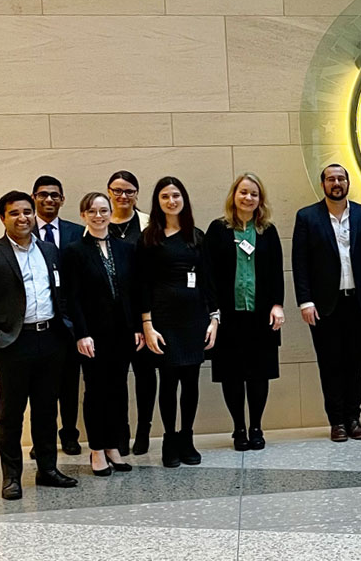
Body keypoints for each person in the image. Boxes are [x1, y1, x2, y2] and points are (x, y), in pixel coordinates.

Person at [0, 191, 78, 500]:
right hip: (13, 343)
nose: (23, 218)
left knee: (45, 409)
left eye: (27, 212)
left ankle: (48, 469)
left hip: (51, 339)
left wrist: (65, 326)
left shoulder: (50, 251)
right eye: (15, 213)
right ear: (3, 218)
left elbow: (61, 293)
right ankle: (11, 477)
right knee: (11, 414)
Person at [292, 164, 361, 443]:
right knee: (330, 364)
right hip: (323, 306)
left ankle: (354, 418)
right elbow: (300, 264)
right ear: (322, 184)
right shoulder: (307, 217)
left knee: (354, 363)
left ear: (348, 182)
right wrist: (305, 301)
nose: (336, 183)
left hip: (358, 303)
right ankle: (336, 422)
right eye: (331, 179)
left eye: (341, 178)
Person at [137, 177, 219, 467]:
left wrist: (214, 318)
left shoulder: (196, 236)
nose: (171, 201)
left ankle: (187, 437)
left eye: (176, 195)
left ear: (184, 199)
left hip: (195, 318)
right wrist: (147, 324)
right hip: (163, 320)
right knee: (169, 381)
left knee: (191, 381)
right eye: (164, 197)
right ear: (157, 203)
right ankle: (169, 440)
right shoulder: (149, 238)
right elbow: (142, 285)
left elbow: (209, 280)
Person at [63, 192, 143, 475]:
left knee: (118, 391)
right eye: (92, 211)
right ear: (83, 215)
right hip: (92, 336)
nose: (99, 216)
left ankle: (112, 447)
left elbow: (133, 292)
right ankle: (96, 450)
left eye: (103, 210)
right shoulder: (73, 251)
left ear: (111, 213)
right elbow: (72, 298)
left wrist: (136, 328)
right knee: (96, 392)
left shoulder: (125, 249)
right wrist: (81, 334)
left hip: (122, 334)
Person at [206, 174, 285, 451]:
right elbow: (210, 274)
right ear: (234, 195)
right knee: (231, 374)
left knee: (258, 373)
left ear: (260, 199)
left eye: (254, 193)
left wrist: (278, 304)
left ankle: (256, 427)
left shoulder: (268, 231)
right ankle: (238, 427)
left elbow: (277, 271)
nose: (248, 198)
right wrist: (212, 313)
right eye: (243, 192)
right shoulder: (218, 230)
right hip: (228, 317)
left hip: (260, 315)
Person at [31, 175, 83, 456]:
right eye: (42, 195)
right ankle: (43, 440)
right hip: (39, 323)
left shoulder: (77, 232)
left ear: (62, 199)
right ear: (34, 198)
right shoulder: (25, 232)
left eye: (54, 195)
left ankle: (70, 435)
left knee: (69, 384)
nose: (48, 199)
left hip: (71, 323)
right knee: (41, 389)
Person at [106, 170, 155, 455]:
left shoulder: (149, 223)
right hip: (114, 317)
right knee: (116, 378)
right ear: (109, 192)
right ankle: (121, 432)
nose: (122, 196)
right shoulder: (98, 222)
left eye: (129, 191)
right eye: (117, 190)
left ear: (137, 193)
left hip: (146, 313)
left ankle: (144, 431)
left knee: (146, 374)